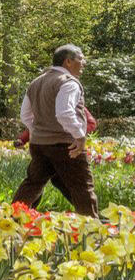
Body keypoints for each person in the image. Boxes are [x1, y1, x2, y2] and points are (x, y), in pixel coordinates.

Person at [12, 44, 98, 217]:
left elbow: (25, 115)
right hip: (65, 146)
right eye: (81, 59)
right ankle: (93, 232)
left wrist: (38, 131)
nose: (84, 63)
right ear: (68, 61)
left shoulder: (36, 82)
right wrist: (79, 136)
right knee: (82, 187)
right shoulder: (69, 83)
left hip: (38, 145)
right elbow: (64, 113)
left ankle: (10, 221)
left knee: (32, 184)